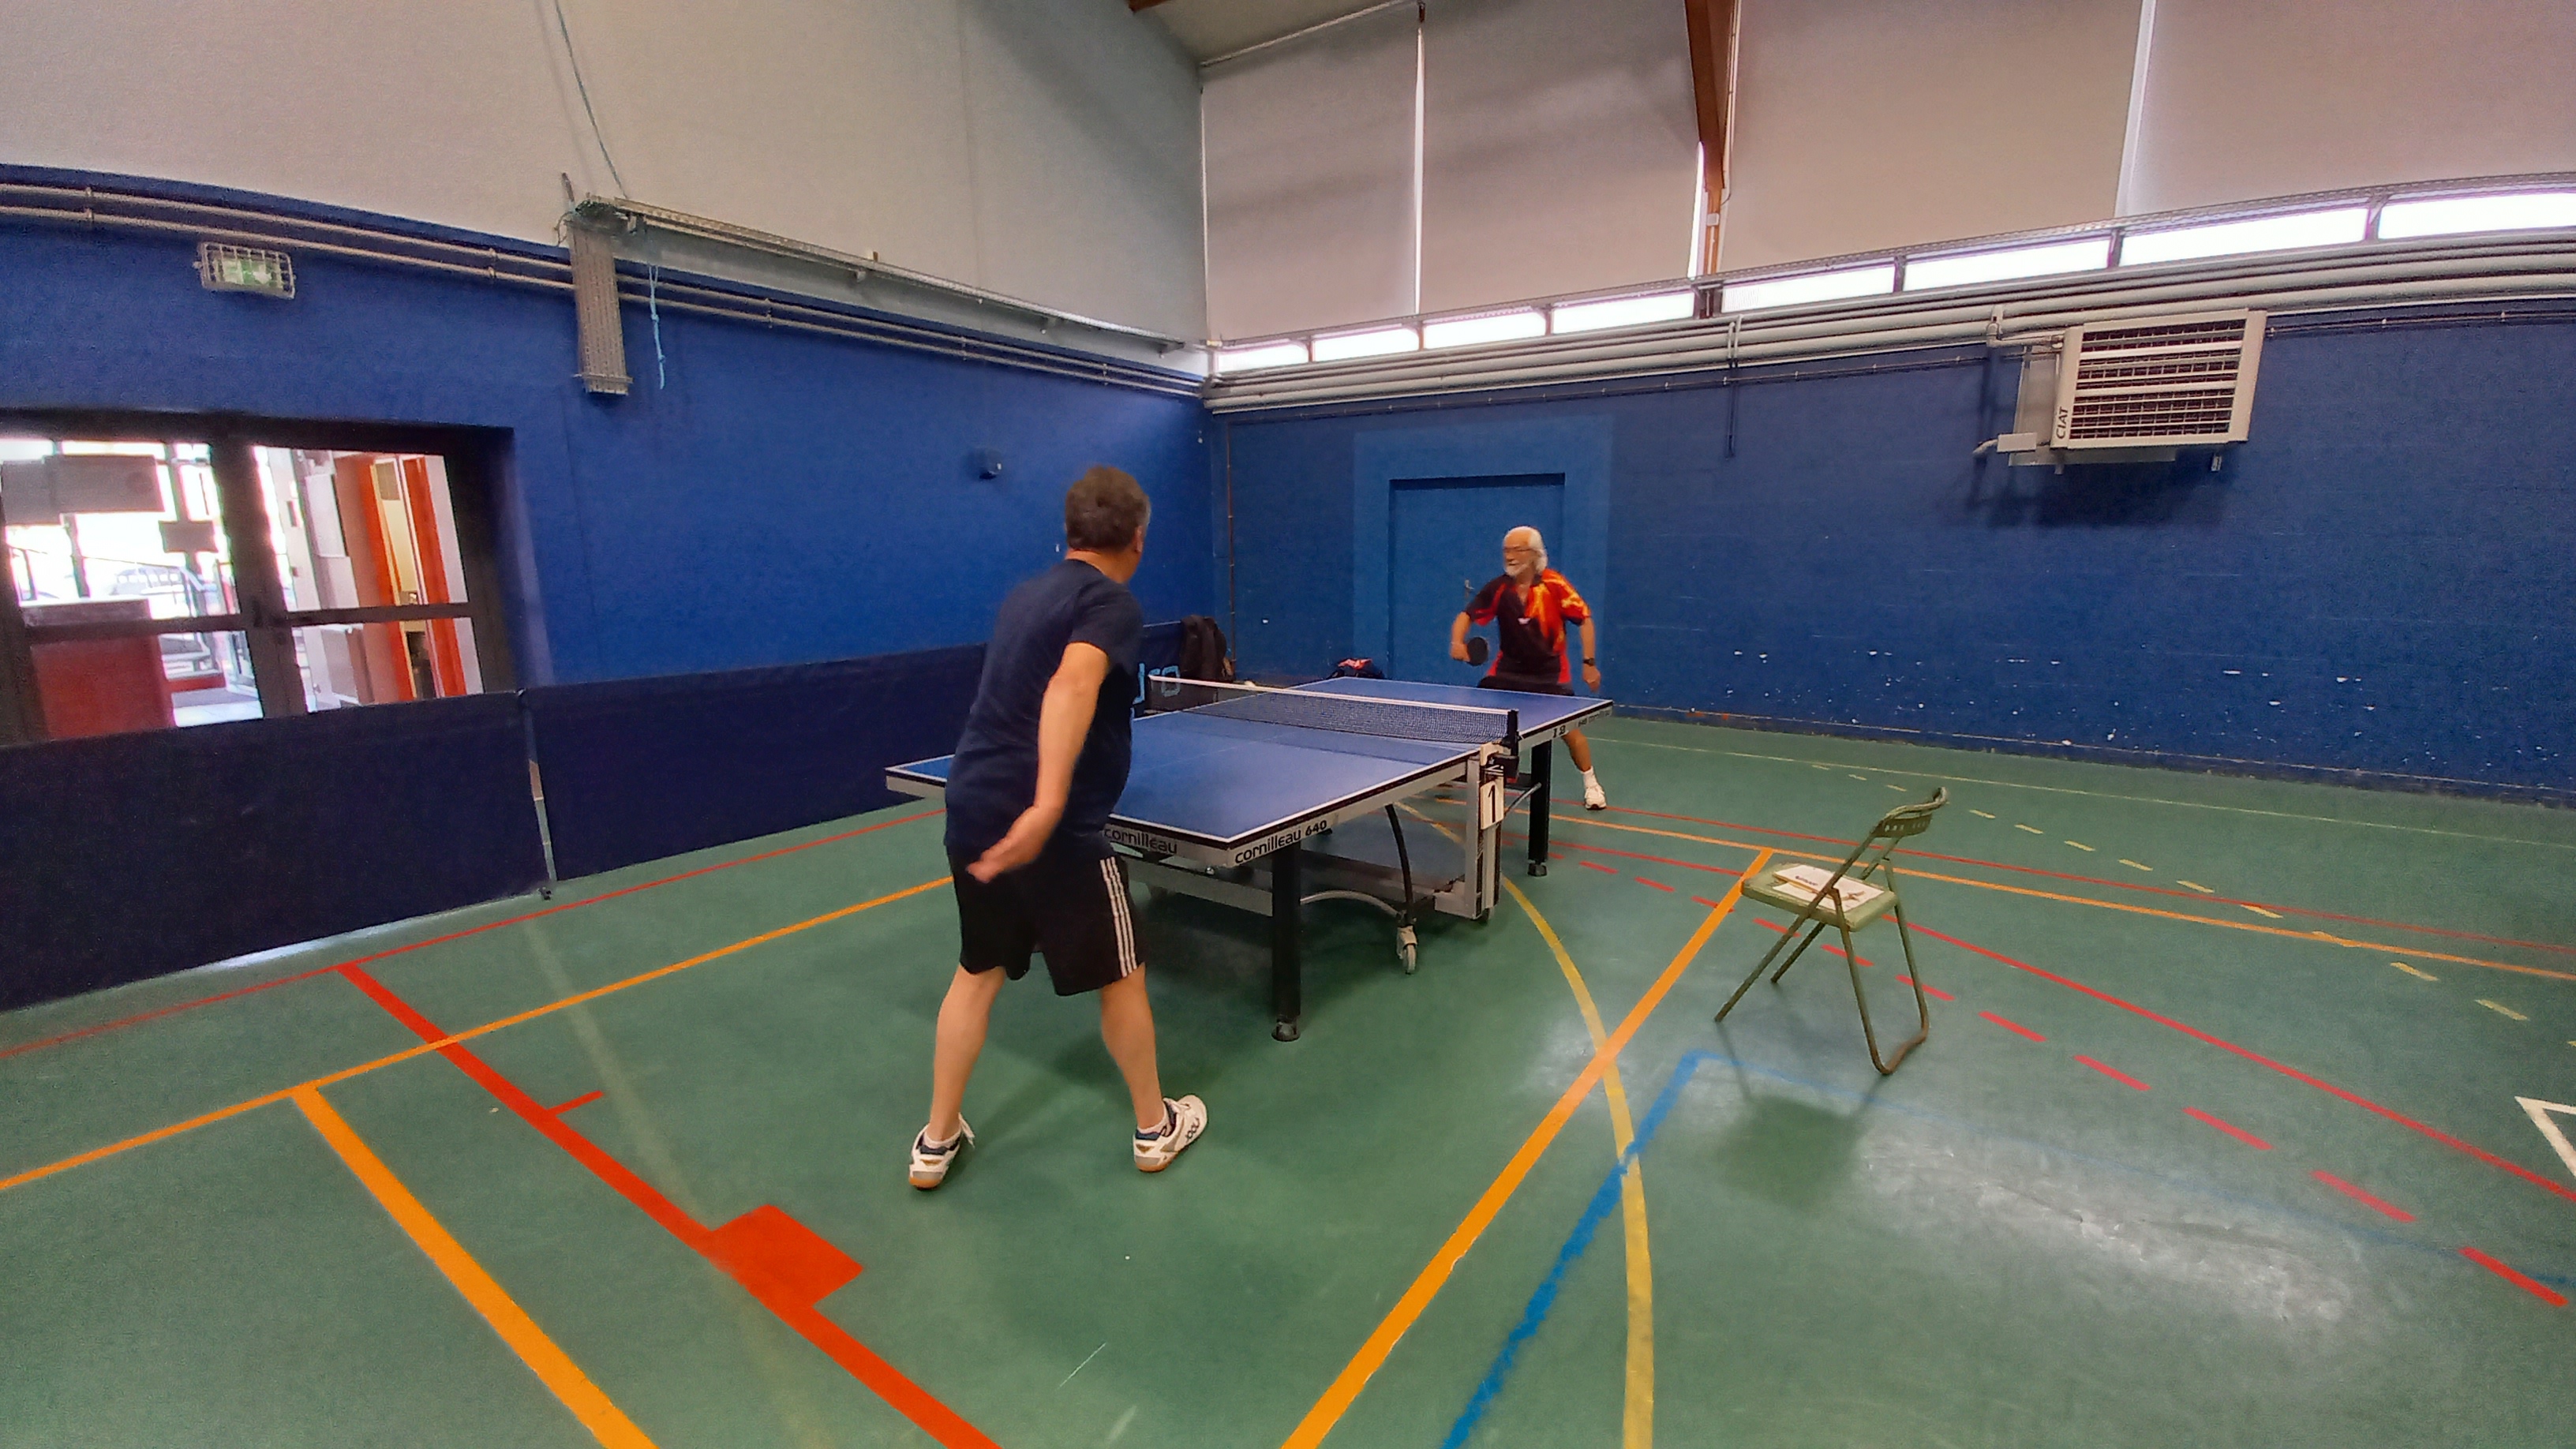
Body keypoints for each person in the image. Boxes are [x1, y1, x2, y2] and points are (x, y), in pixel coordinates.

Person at [911, 466, 1206, 1189]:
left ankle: (936, 1141)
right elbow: (1072, 683)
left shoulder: (1023, 596)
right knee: (1121, 975)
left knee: (977, 971)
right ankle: (1155, 1128)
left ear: (1069, 533)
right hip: (1057, 827)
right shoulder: (1111, 602)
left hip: (973, 804)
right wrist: (1046, 807)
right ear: (1138, 539)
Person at [1450, 525, 1608, 810]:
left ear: (1535, 554)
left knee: (1569, 732)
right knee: (1478, 720)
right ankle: (1456, 772)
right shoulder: (1499, 588)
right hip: (1507, 671)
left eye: (1518, 550)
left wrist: (1589, 663)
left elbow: (1585, 620)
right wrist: (1457, 641)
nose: (1510, 556)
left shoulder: (1554, 585)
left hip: (1549, 673)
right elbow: (1466, 614)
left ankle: (1592, 784)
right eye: (1506, 550)